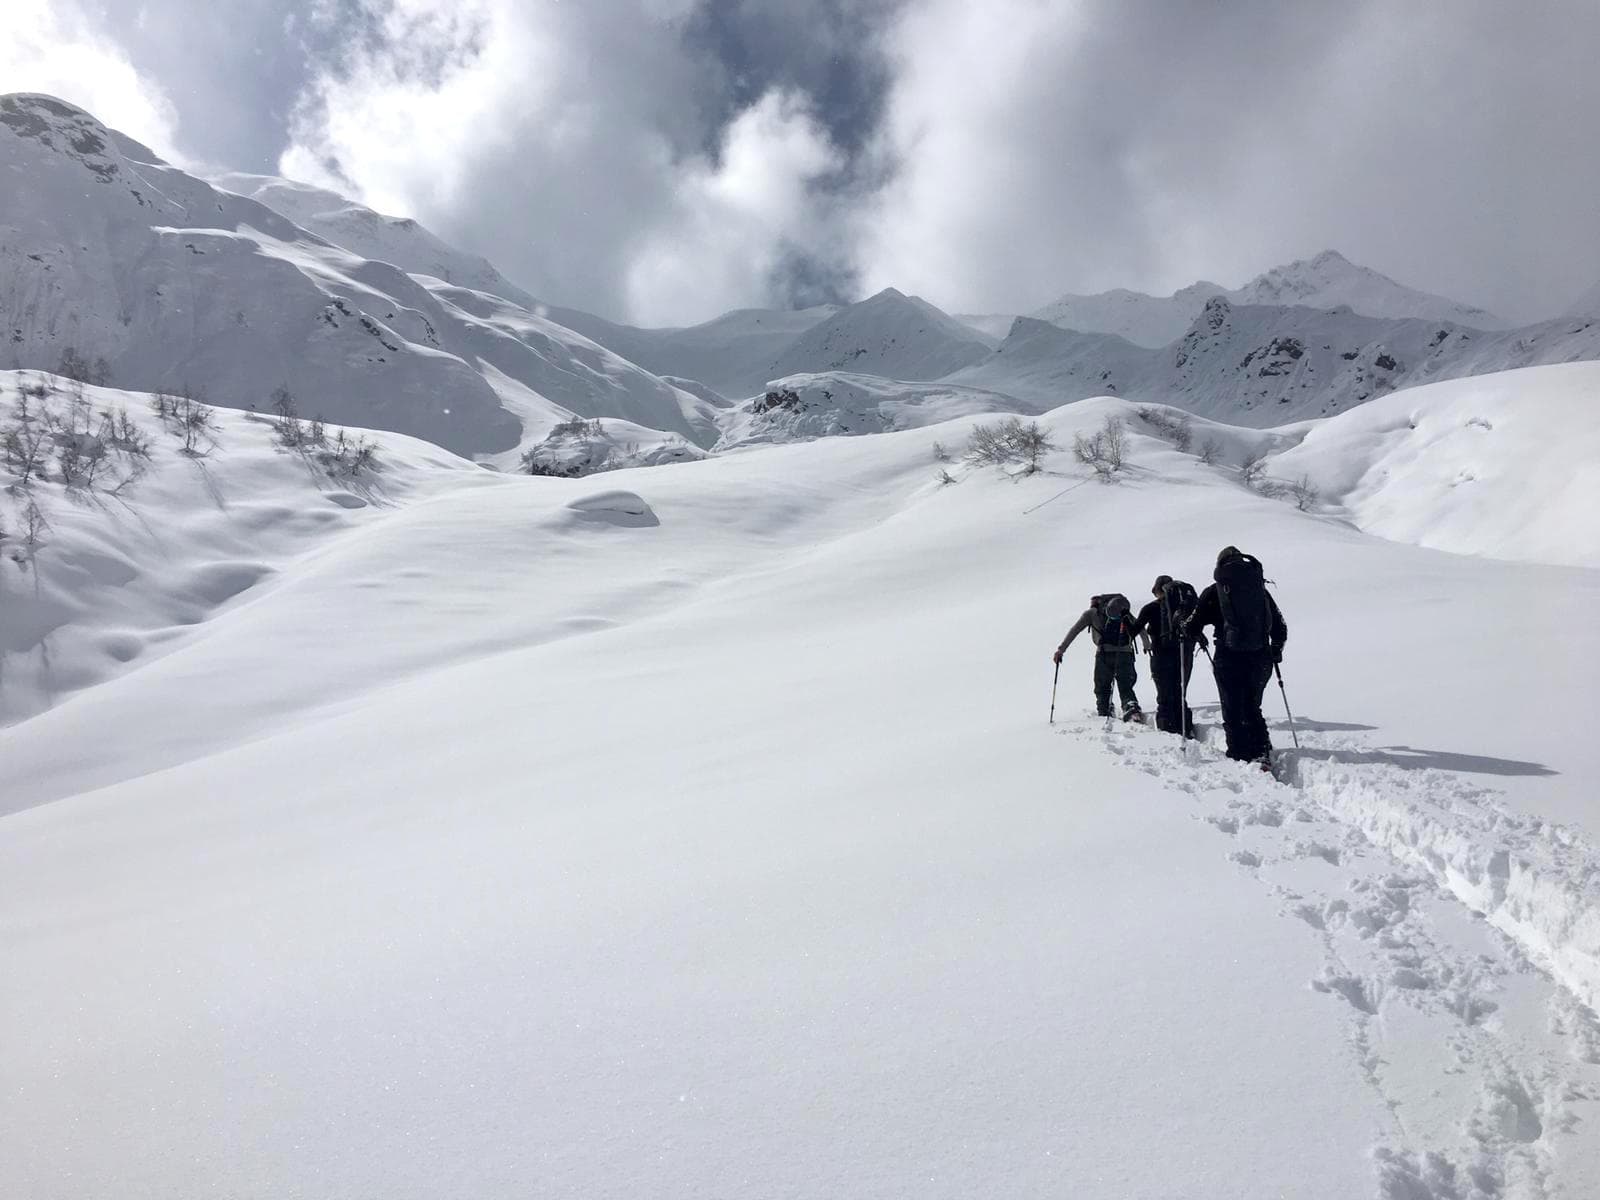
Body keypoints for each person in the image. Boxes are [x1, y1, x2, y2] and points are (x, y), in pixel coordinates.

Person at [1184, 547, 1287, 767]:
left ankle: (1239, 757)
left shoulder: (1214, 591)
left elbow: (1191, 626)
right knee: (1252, 706)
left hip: (1228, 656)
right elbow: (1280, 626)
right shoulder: (1260, 591)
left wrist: (1182, 624)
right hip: (1260, 657)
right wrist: (1276, 649)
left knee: (1232, 708)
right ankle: (1261, 753)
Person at [1053, 594, 1149, 721]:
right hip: (1125, 654)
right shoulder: (1122, 610)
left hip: (1104, 654)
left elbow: (1074, 630)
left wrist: (1061, 650)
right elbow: (1140, 628)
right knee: (1126, 685)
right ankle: (1131, 707)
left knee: (1102, 686)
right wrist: (1147, 645)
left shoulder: (1092, 613)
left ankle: (1104, 710)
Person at [1132, 575, 1204, 737]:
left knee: (1165, 695)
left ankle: (1168, 732)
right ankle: (1186, 728)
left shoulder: (1151, 608)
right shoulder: (1186, 607)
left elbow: (1133, 631)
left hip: (1161, 655)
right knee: (1180, 692)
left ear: (1157, 590)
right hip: (1183, 652)